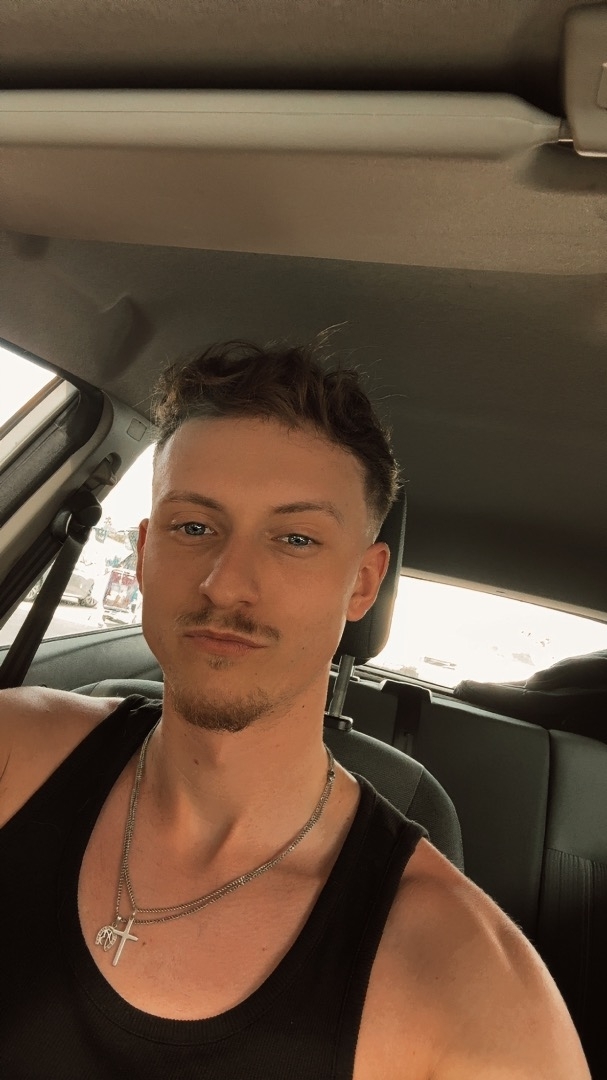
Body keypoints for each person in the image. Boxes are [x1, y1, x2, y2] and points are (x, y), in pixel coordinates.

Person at [0, 342, 590, 1079]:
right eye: (193, 527)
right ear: (145, 550)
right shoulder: (16, 749)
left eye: (296, 539)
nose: (226, 583)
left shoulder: (470, 987)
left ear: (363, 583)